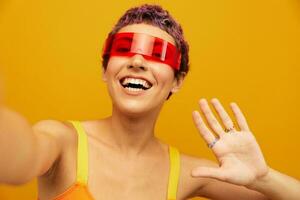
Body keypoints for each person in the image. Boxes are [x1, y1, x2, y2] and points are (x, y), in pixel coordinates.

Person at [0, 4, 300, 200]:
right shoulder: (62, 142)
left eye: (158, 54)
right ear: (106, 69)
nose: (139, 59)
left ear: (177, 80)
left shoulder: (188, 173)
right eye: (124, 49)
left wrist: (263, 178)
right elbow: (19, 156)